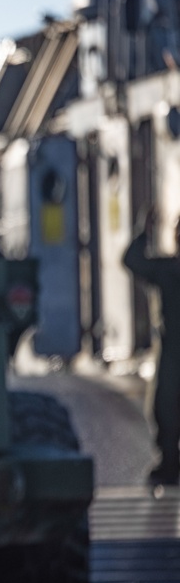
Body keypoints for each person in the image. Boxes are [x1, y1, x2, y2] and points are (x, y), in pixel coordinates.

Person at [124, 207, 180, 486]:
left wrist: (143, 231)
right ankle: (170, 462)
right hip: (173, 348)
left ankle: (170, 463)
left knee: (167, 405)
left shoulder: (168, 269)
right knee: (166, 406)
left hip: (173, 350)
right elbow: (133, 261)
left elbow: (133, 261)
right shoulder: (168, 269)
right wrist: (143, 232)